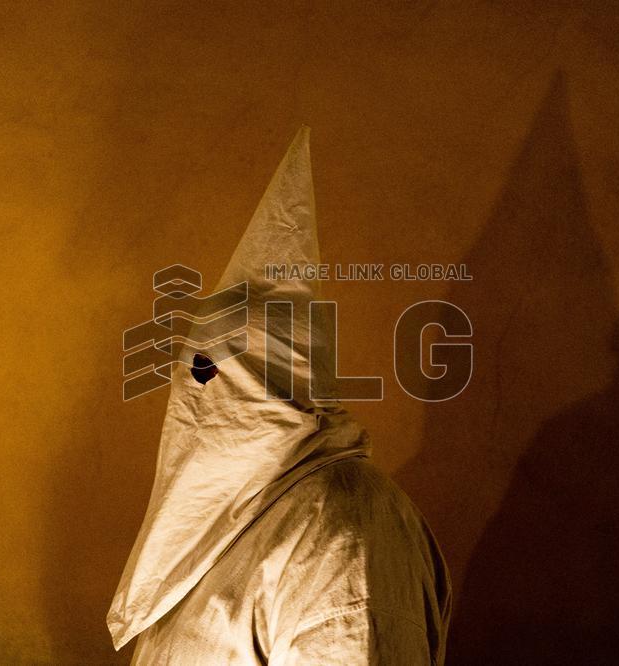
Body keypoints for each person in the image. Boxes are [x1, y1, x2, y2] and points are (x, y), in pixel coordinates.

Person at [108, 127, 451, 664]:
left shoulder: (343, 521)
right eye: (195, 367)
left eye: (217, 368)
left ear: (290, 384)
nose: (198, 389)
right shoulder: (225, 518)